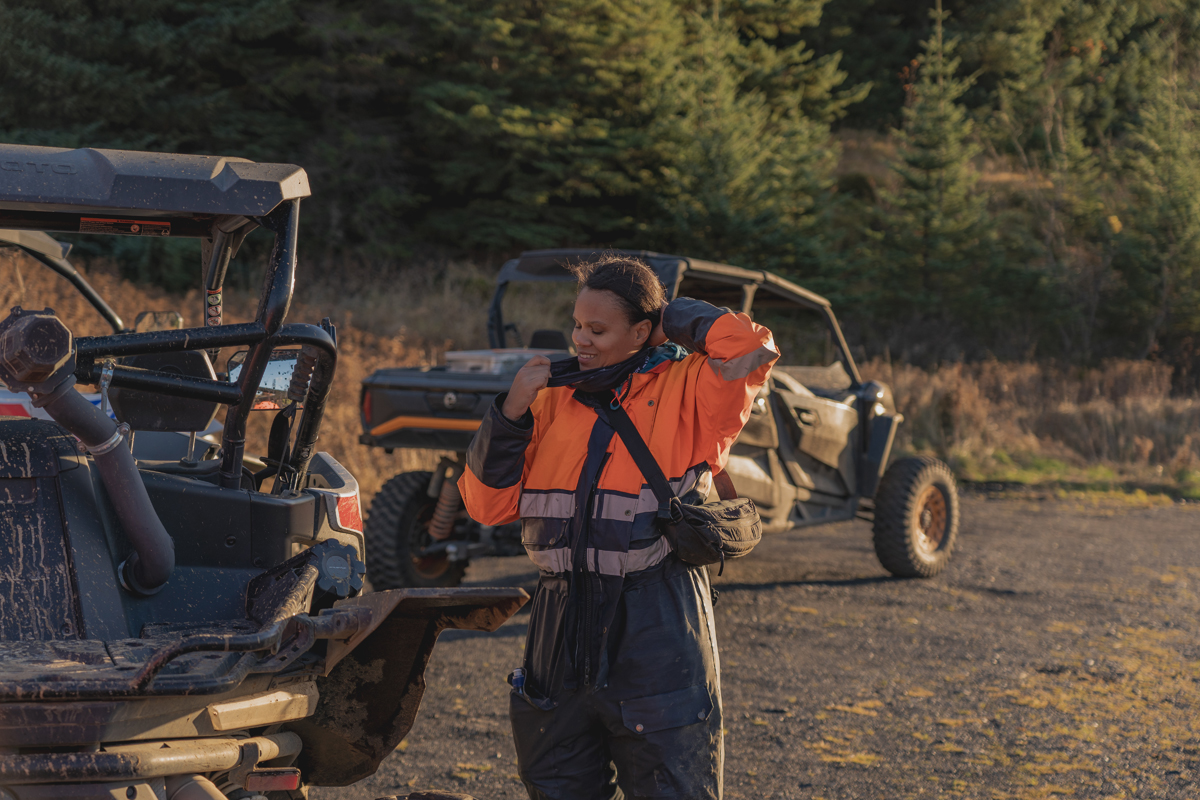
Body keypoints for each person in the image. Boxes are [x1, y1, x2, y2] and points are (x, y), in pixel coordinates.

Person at [459, 254, 779, 800]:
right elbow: (487, 506)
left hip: (656, 620)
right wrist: (511, 410)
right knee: (557, 785)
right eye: (578, 325)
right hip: (557, 624)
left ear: (640, 330)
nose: (581, 339)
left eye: (598, 329)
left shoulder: (692, 388)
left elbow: (750, 347)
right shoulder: (553, 394)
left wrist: (673, 315)